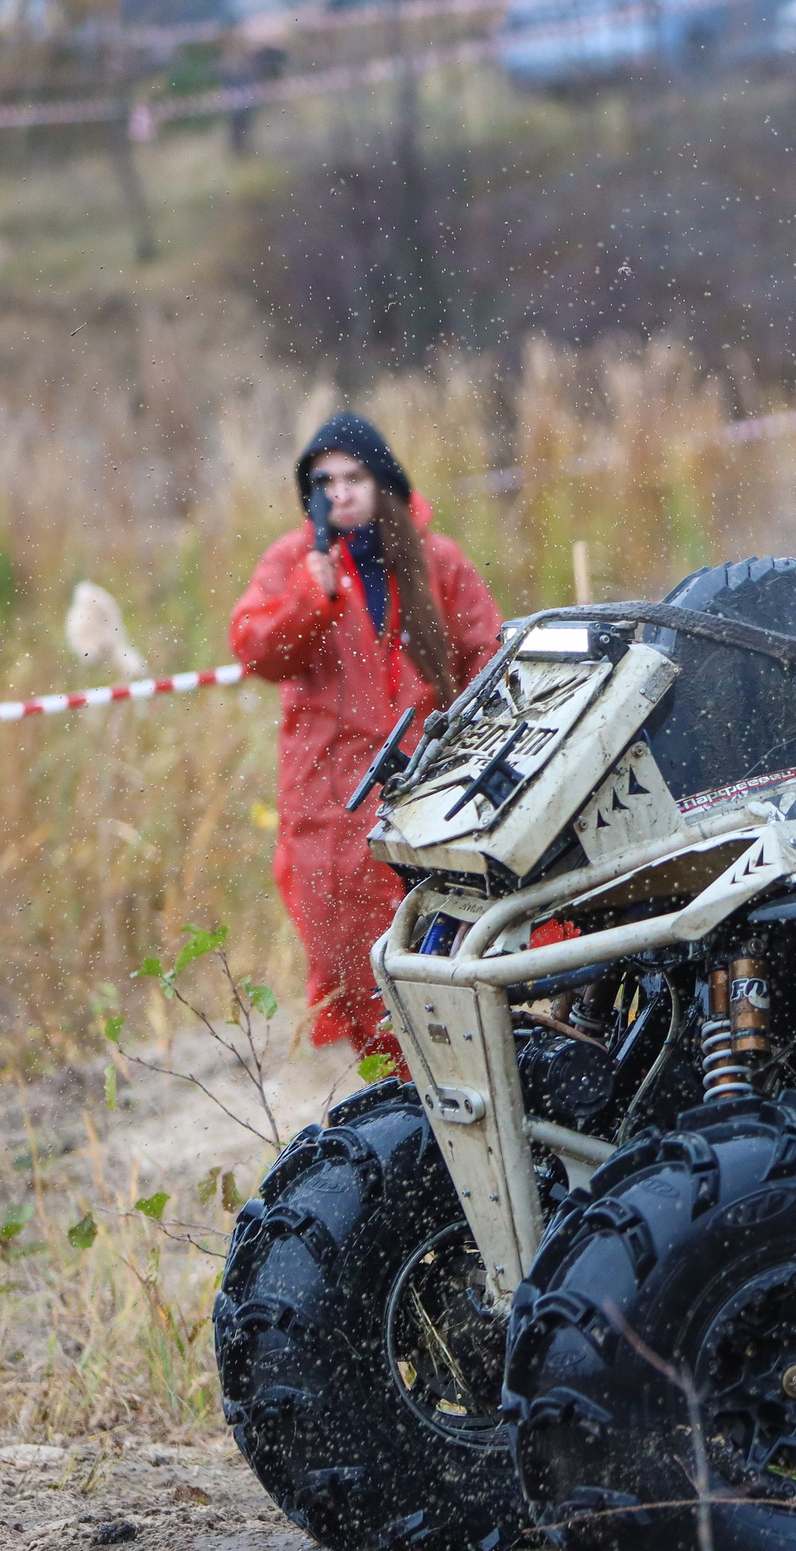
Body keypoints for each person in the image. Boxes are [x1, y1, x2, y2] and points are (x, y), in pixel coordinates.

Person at [231, 413, 504, 1066]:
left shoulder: (436, 559)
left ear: (382, 480)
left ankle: (461, 1093)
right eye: (324, 481)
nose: (340, 491)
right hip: (331, 806)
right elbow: (255, 648)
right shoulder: (294, 563)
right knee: (358, 970)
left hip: (431, 792)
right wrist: (308, 595)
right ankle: (405, 1108)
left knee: (448, 960)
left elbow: (487, 658)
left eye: (353, 476)